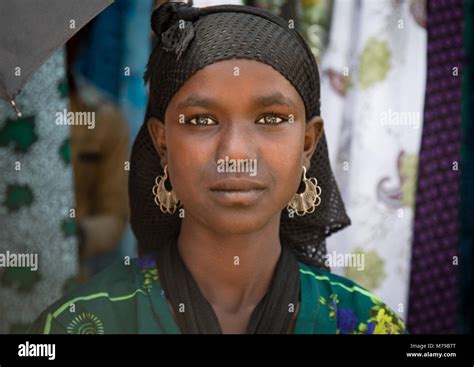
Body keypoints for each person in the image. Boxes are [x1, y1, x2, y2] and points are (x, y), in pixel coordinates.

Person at [30, 2, 406, 334]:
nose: (235, 151)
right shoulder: (80, 324)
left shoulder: (368, 324)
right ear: (162, 144)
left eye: (272, 118)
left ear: (308, 144)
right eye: (201, 121)